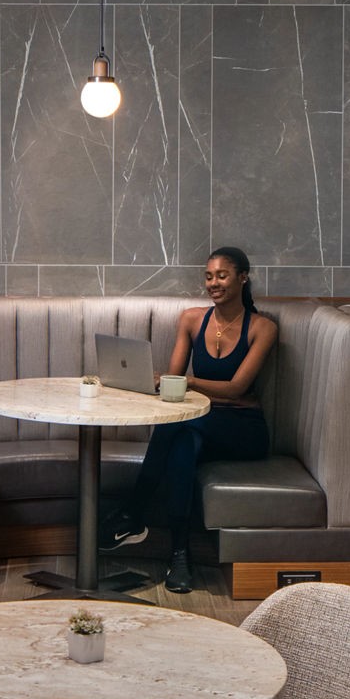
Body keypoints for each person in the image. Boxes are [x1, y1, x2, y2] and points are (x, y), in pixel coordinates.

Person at [98, 246, 277, 593]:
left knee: (180, 426)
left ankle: (134, 513)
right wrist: (149, 380)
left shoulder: (262, 327)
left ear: (243, 277)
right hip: (199, 423)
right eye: (209, 276)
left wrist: (188, 382)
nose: (213, 283)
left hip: (244, 430)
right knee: (181, 444)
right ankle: (180, 556)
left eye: (222, 276)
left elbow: (236, 387)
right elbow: (173, 380)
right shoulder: (193, 319)